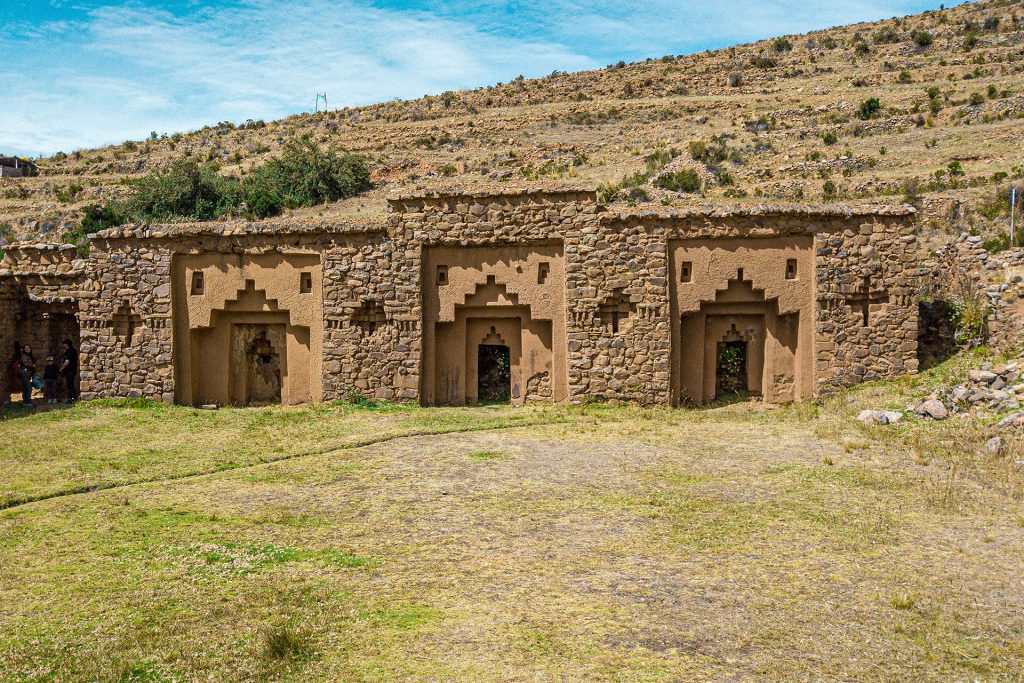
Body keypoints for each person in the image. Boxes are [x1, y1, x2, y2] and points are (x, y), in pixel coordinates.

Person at [18, 343, 36, 409]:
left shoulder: (30, 355)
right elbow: (26, 364)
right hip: (24, 373)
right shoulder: (24, 356)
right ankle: (28, 402)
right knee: (28, 387)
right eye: (26, 348)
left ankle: (25, 402)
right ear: (24, 350)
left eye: (28, 348)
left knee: (25, 387)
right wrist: (32, 365)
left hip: (27, 373)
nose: (27, 349)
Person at [60, 339, 78, 404]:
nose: (63, 345)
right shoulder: (74, 350)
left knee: (70, 385)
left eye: (64, 344)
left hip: (70, 371)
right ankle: (73, 398)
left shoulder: (69, 351)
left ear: (66, 344)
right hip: (73, 370)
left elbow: (67, 362)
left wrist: (61, 369)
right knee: (71, 384)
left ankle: (71, 399)